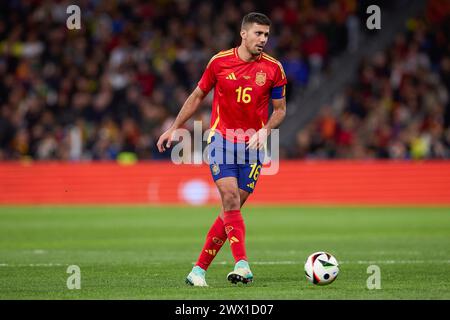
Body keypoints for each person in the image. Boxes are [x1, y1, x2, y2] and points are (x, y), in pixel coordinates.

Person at [157, 12, 287, 286]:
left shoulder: (274, 69)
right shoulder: (219, 62)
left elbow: (280, 110)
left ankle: (198, 271)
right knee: (229, 198)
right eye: (258, 33)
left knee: (232, 208)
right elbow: (197, 96)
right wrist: (175, 127)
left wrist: (265, 131)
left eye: (266, 34)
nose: (263, 39)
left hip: (253, 145)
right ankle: (242, 264)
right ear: (243, 34)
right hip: (221, 139)